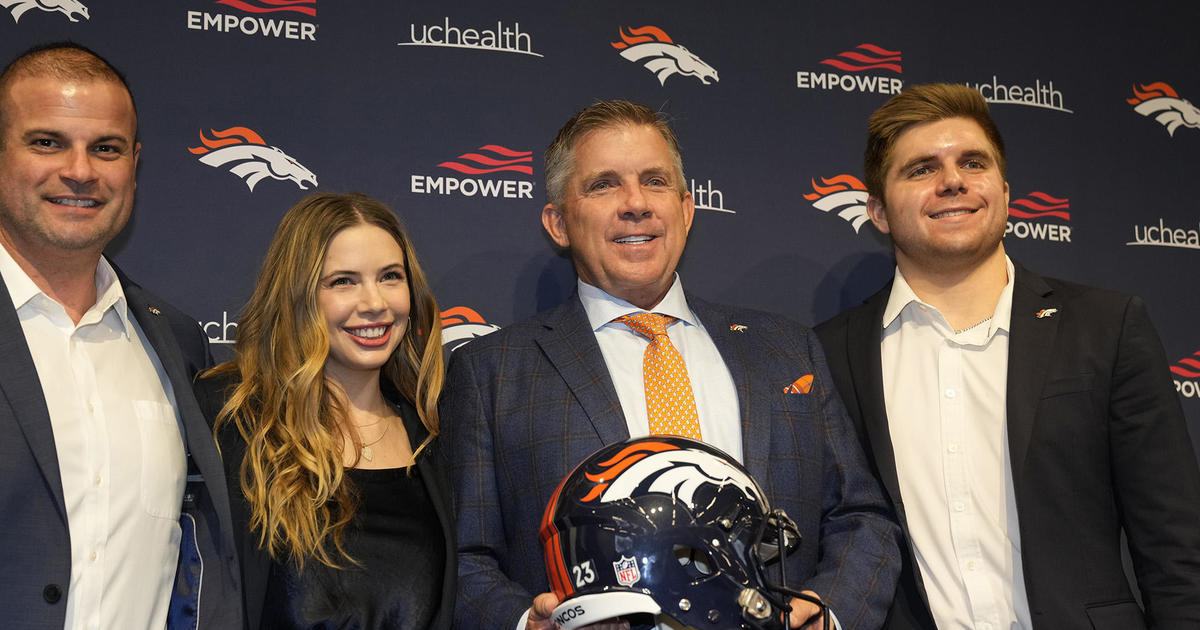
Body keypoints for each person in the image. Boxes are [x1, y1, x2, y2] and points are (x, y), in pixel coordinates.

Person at [442, 100, 901, 630]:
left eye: (655, 181)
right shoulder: (490, 373)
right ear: (558, 223)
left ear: (686, 209)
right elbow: (464, 557)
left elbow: (861, 516)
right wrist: (527, 623)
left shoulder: (786, 349)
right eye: (603, 185)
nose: (635, 204)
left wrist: (829, 612)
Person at [815, 83, 1200, 630]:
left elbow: (1176, 546)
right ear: (877, 210)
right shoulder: (827, 355)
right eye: (921, 169)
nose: (953, 181)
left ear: (1004, 189)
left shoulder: (1105, 327)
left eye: (973, 162)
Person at [0, 42, 240, 629]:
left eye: (105, 148)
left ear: (134, 163)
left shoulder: (177, 344)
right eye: (46, 142)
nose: (80, 170)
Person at [196, 192, 455, 629]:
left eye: (390, 276)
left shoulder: (435, 436)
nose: (374, 303)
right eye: (343, 281)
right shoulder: (233, 422)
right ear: (298, 296)